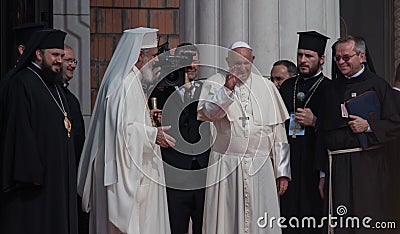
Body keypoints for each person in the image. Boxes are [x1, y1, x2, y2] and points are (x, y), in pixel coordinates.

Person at [77, 27, 175, 234]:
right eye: (154, 55)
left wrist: (148, 122)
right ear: (140, 55)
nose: (157, 60)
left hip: (138, 169)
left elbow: (127, 123)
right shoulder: (122, 85)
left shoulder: (131, 81)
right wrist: (151, 134)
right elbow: (120, 134)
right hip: (127, 177)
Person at [198, 41, 291, 234]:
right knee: (228, 219)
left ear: (253, 61)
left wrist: (282, 171)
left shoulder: (267, 87)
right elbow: (210, 113)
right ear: (227, 61)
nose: (241, 68)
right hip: (226, 165)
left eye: (246, 63)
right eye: (236, 63)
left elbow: (278, 133)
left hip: (260, 166)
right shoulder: (215, 82)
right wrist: (227, 89)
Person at [316, 36, 400, 234]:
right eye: (337, 58)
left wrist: (369, 126)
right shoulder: (329, 89)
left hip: (368, 164)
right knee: (341, 222)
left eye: (346, 57)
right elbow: (321, 133)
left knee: (366, 219)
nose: (341, 62)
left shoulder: (378, 85)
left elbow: (396, 123)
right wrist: (322, 174)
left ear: (361, 56)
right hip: (337, 166)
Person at [0, 29, 79, 234]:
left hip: (58, 174)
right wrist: (32, 172)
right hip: (36, 180)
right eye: (55, 55)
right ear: (38, 54)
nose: (59, 61)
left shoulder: (53, 84)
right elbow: (19, 129)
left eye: (61, 56)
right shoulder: (22, 82)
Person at [151, 43, 211, 234]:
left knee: (205, 226)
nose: (191, 65)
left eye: (194, 60)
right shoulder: (160, 91)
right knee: (175, 226)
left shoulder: (208, 90)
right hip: (174, 172)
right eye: (185, 60)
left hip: (203, 172)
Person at [278, 31, 331, 234]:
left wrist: (315, 121)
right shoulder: (287, 86)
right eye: (300, 55)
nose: (302, 60)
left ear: (321, 59)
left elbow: (334, 130)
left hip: (313, 164)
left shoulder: (329, 88)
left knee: (312, 220)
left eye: (309, 56)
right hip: (289, 163)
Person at [61, 44, 89, 233]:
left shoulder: (71, 98)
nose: (73, 65)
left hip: (75, 174)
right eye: (68, 60)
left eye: (74, 61)